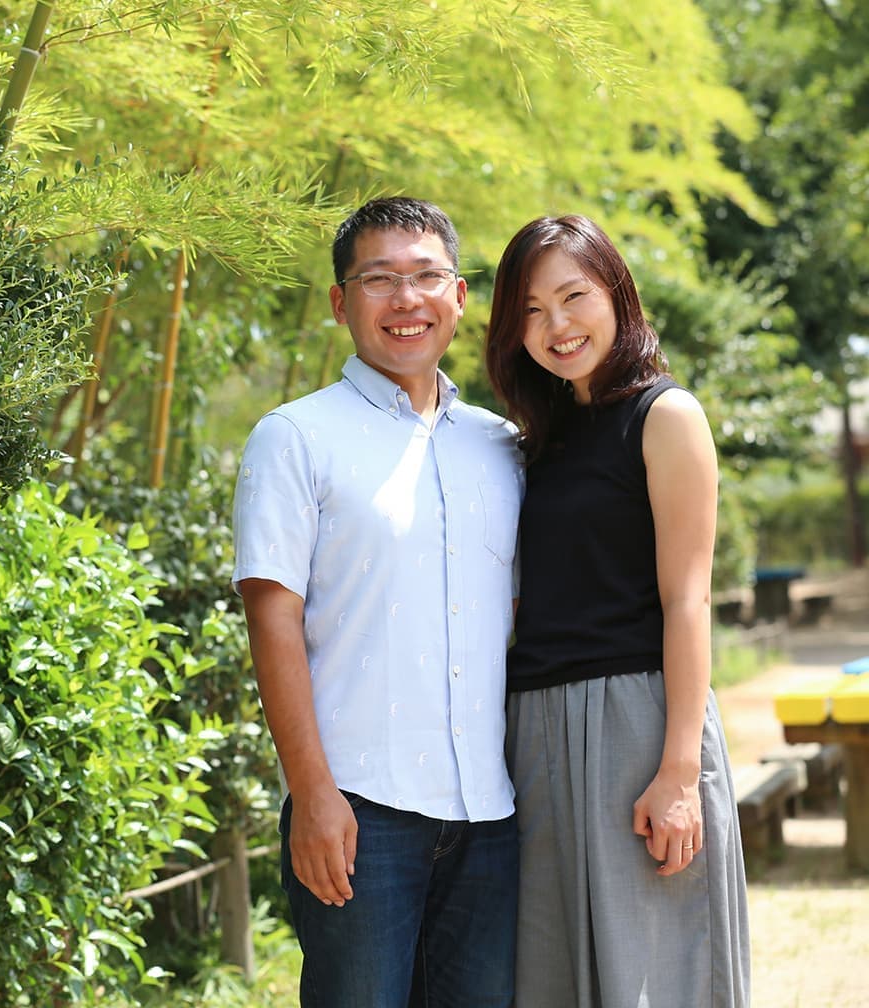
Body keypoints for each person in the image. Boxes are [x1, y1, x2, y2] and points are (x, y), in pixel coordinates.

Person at [232, 196, 522, 1007]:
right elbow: (273, 621)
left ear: (459, 295)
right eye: (379, 279)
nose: (406, 299)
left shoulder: (501, 446)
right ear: (340, 302)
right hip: (360, 814)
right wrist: (312, 796)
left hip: (490, 817)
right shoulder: (294, 437)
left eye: (426, 277)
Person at [484, 214, 751, 1007]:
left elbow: (687, 599)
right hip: (536, 732)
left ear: (616, 293)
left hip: (639, 724)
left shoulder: (666, 415)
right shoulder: (538, 438)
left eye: (573, 297)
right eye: (531, 311)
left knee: (658, 975)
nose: (556, 325)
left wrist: (679, 775)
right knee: (555, 982)